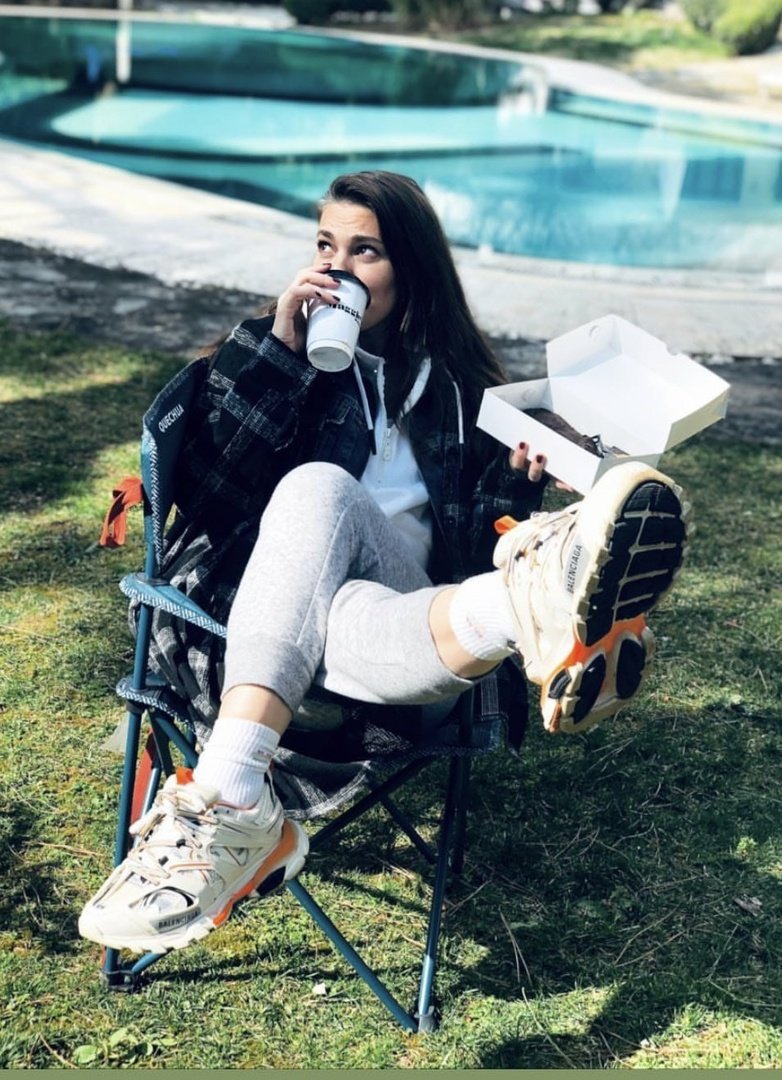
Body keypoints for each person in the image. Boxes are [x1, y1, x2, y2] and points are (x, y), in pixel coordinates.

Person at [78, 171, 691, 956]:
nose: (336, 269)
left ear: (412, 269)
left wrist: (519, 481)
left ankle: (232, 796)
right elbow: (202, 497)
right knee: (319, 492)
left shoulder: (465, 398)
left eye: (363, 252)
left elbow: (466, 547)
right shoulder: (272, 359)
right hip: (255, 654)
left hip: (405, 666)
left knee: (356, 551)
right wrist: (279, 355)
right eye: (325, 246)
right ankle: (523, 606)